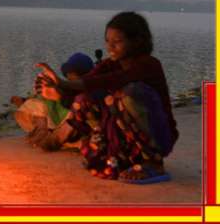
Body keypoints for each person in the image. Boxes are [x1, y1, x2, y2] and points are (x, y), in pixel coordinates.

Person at [35, 12, 178, 184]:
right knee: (85, 99)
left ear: (137, 41)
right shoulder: (110, 64)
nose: (110, 47)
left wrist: (64, 83)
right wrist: (58, 89)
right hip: (127, 136)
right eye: (107, 41)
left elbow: (113, 80)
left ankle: (153, 163)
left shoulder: (149, 64)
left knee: (129, 93)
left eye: (117, 42)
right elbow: (88, 83)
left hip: (158, 136)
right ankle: (118, 156)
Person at [12, 52, 94, 151]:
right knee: (40, 103)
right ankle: (42, 129)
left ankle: (47, 133)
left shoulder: (88, 91)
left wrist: (59, 95)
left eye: (73, 75)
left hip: (71, 122)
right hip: (57, 118)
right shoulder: (68, 87)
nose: (70, 77)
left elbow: (72, 106)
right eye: (68, 75)